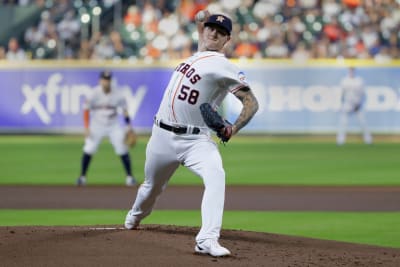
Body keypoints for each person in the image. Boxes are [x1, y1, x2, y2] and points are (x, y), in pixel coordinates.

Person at [124, 11, 259, 257]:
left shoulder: (225, 67)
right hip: (161, 136)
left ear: (227, 39)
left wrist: (233, 128)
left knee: (216, 175)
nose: (213, 33)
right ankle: (134, 217)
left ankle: (207, 239)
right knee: (151, 188)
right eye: (210, 29)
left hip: (196, 140)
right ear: (204, 31)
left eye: (220, 32)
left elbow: (251, 102)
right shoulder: (200, 47)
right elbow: (201, 24)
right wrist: (202, 16)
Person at [76, 70, 137, 186]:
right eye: (104, 80)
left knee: (122, 148)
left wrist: (129, 127)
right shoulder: (94, 93)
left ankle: (130, 177)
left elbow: (125, 111)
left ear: (110, 81)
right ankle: (82, 177)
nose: (106, 82)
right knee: (89, 148)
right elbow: (86, 109)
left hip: (113, 125)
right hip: (97, 125)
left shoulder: (118, 94)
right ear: (100, 81)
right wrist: (86, 127)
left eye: (108, 80)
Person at [336, 67, 373, 145]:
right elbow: (341, 94)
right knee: (343, 123)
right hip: (347, 104)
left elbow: (363, 94)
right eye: (350, 71)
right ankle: (340, 141)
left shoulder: (359, 81)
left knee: (363, 123)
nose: (351, 72)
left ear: (355, 71)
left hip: (357, 104)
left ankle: (368, 140)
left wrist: (359, 103)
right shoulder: (344, 81)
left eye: (352, 71)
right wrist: (340, 105)